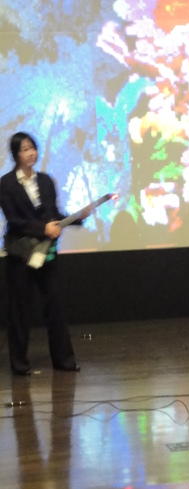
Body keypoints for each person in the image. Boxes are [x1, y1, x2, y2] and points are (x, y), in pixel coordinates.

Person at [0, 132, 80, 375]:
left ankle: (64, 361)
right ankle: (19, 364)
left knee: (55, 305)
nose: (31, 153)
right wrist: (42, 228)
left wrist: (75, 219)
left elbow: (53, 213)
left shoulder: (45, 180)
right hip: (21, 254)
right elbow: (14, 220)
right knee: (19, 310)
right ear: (16, 154)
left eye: (32, 148)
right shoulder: (6, 184)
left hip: (45, 252)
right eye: (25, 149)